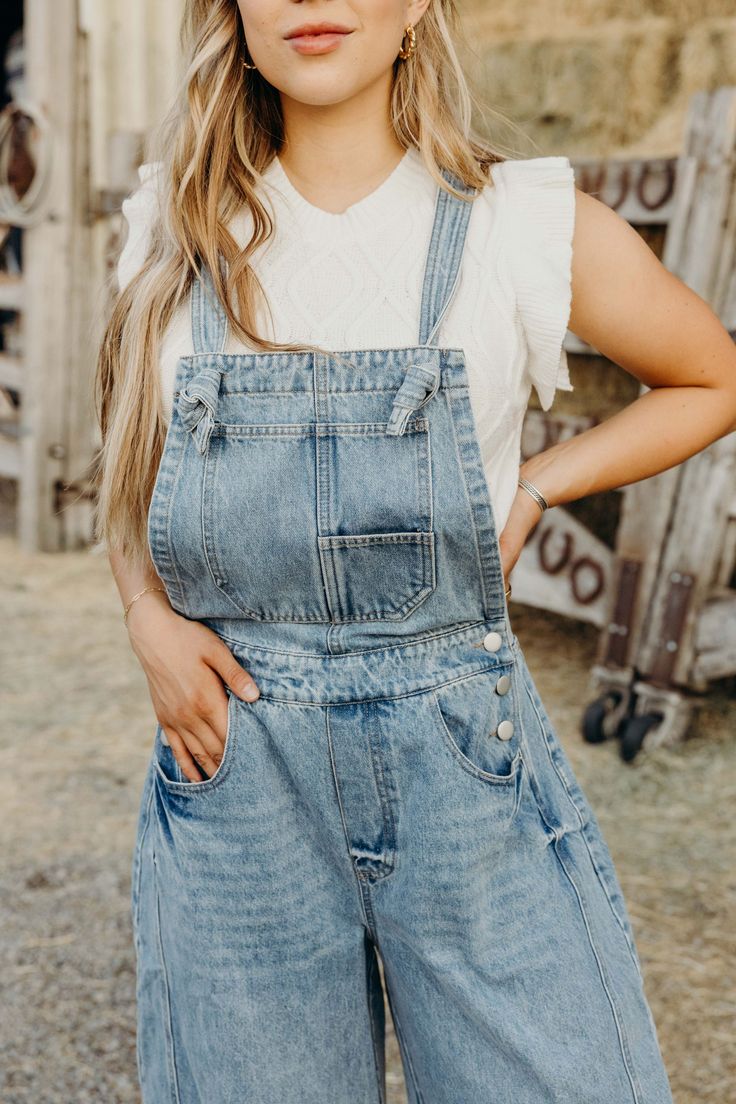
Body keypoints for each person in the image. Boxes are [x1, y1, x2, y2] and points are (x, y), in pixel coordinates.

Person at [94, 3, 736, 1102]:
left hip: (463, 767)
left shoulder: (518, 222)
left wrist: (541, 485)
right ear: (233, 18)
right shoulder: (173, 229)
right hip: (240, 776)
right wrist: (147, 619)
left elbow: (710, 376)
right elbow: (130, 469)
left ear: (417, 7)